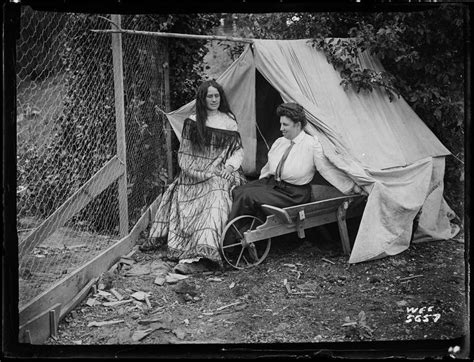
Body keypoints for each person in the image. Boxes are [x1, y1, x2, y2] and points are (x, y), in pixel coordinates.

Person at [140, 80, 246, 271]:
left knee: (216, 191)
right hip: (194, 173)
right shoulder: (194, 120)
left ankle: (207, 251)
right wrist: (197, 172)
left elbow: (237, 151)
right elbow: (185, 154)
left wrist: (229, 168)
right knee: (183, 189)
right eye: (209, 96)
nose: (214, 99)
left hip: (222, 171)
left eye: (216, 96)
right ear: (202, 99)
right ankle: (191, 247)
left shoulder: (229, 120)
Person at [228, 102, 364, 222]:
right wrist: (259, 184)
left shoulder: (311, 145)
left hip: (294, 194)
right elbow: (268, 167)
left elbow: (327, 170)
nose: (281, 128)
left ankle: (232, 241)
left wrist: (352, 188)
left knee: (247, 196)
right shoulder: (280, 142)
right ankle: (243, 226)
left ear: (298, 125)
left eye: (285, 124)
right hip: (274, 186)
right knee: (240, 190)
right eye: (280, 124)